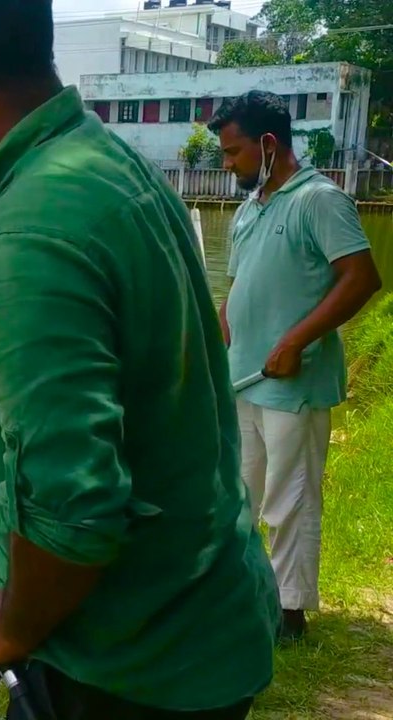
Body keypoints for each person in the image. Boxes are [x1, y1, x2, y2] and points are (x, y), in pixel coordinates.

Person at [0, 1, 281, 718]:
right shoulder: (98, 162)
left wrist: (11, 622)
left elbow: (74, 511)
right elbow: (95, 374)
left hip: (131, 671)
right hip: (204, 621)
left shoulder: (32, 225)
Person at [210, 91, 383, 642]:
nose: (227, 163)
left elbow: (361, 278)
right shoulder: (248, 208)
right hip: (243, 380)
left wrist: (297, 341)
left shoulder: (320, 200)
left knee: (291, 499)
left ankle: (289, 615)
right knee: (239, 497)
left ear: (268, 143)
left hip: (294, 382)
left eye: (233, 152)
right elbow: (237, 292)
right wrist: (216, 343)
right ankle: (246, 596)